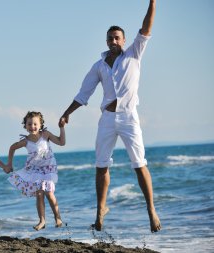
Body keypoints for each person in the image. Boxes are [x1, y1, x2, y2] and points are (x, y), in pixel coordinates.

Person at [59, 0, 161, 233]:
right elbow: (84, 93)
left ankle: (151, 210)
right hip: (107, 118)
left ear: (124, 40)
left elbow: (146, 27)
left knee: (139, 164)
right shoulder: (99, 66)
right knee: (101, 166)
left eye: (117, 37)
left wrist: (152, 3)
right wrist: (66, 113)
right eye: (110, 38)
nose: (114, 41)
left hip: (129, 118)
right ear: (106, 41)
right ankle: (100, 213)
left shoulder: (134, 53)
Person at [7, 111, 65, 230]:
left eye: (35, 124)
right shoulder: (26, 141)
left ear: (40, 125)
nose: (32, 126)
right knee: (39, 194)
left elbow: (61, 142)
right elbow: (12, 148)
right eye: (29, 124)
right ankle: (42, 221)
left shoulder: (45, 135)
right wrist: (9, 163)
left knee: (49, 192)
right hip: (35, 170)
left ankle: (57, 217)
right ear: (25, 126)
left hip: (49, 169)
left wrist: (62, 128)